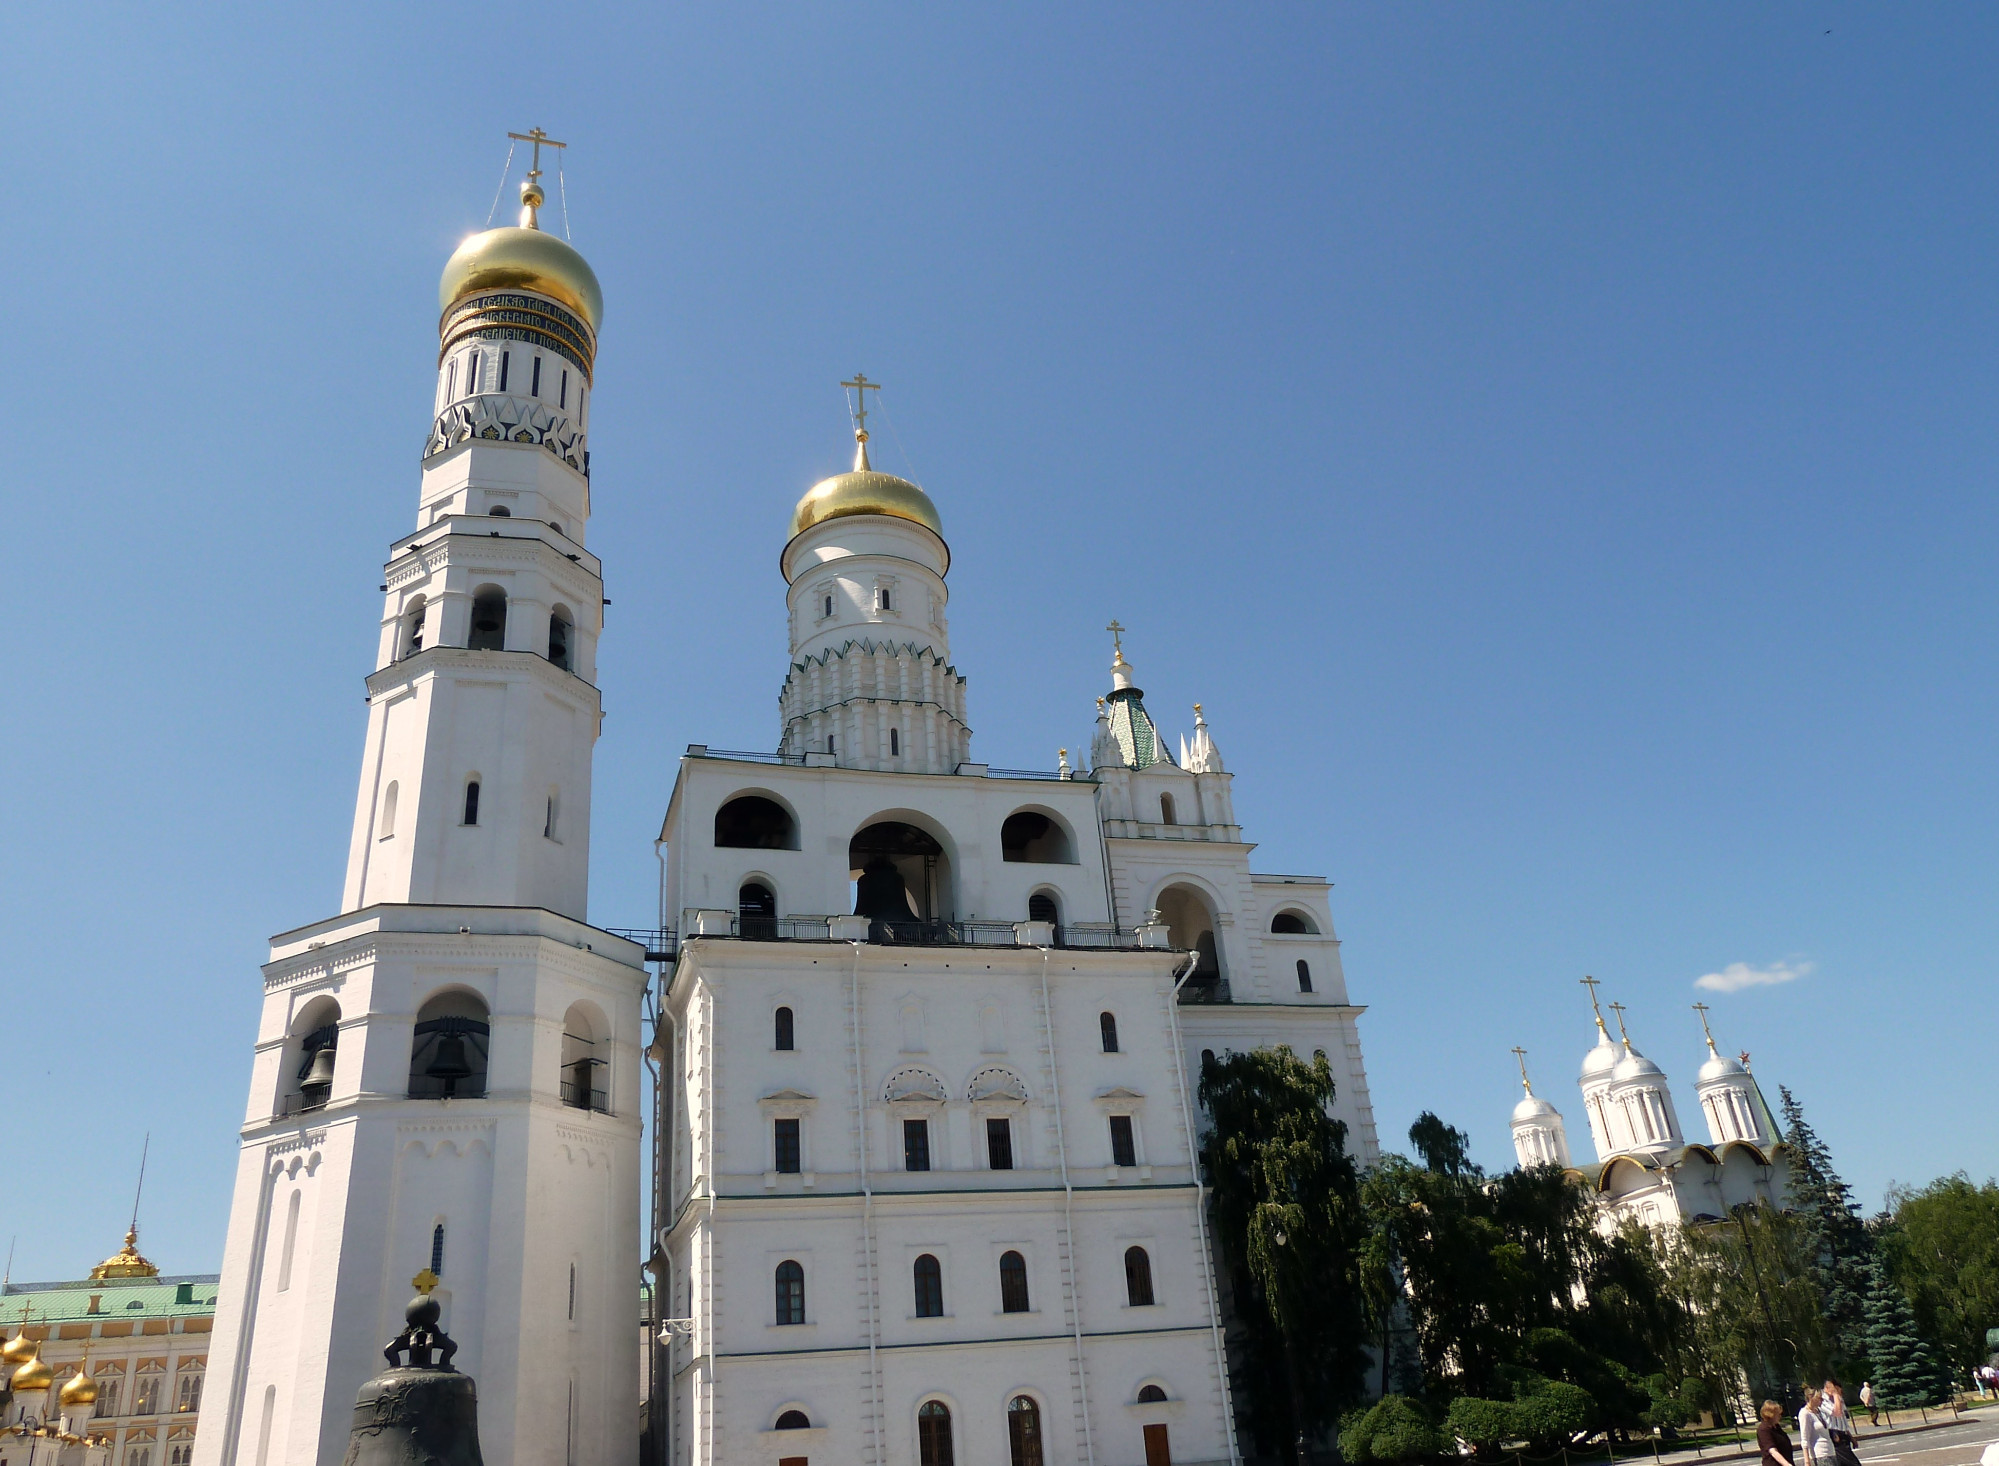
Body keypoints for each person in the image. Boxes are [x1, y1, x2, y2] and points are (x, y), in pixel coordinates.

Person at [1823, 1381, 1860, 1466]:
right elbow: (1837, 1412)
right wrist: (1836, 1395)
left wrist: (1851, 1437)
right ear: (1829, 1388)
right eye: (1836, 1390)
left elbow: (1843, 1419)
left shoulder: (1838, 1399)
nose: (1840, 1393)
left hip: (1843, 1434)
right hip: (1834, 1435)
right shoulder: (1823, 1400)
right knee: (1853, 1463)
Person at [1801, 1389, 1837, 1466]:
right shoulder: (1805, 1413)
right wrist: (1807, 1461)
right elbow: (1804, 1438)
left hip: (1830, 1451)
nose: (1822, 1400)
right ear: (1811, 1398)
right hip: (1820, 1454)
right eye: (1819, 1397)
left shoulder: (1819, 1411)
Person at [1760, 1401, 1797, 1466]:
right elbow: (1773, 1451)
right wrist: (1786, 1464)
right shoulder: (1764, 1429)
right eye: (1778, 1414)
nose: (1780, 1416)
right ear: (1770, 1414)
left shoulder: (1776, 1426)